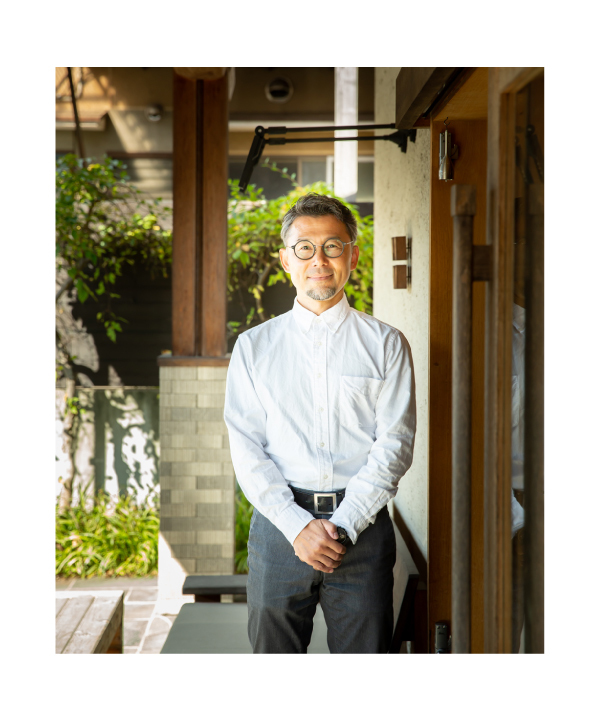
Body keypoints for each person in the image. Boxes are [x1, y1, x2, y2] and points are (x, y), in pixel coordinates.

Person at [224, 193, 416, 654]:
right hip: (279, 528)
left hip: (363, 530)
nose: (319, 260)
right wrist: (297, 526)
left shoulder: (386, 344)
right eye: (305, 248)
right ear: (286, 261)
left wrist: (344, 525)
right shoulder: (254, 347)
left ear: (353, 255)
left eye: (332, 246)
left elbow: (395, 445)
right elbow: (246, 448)